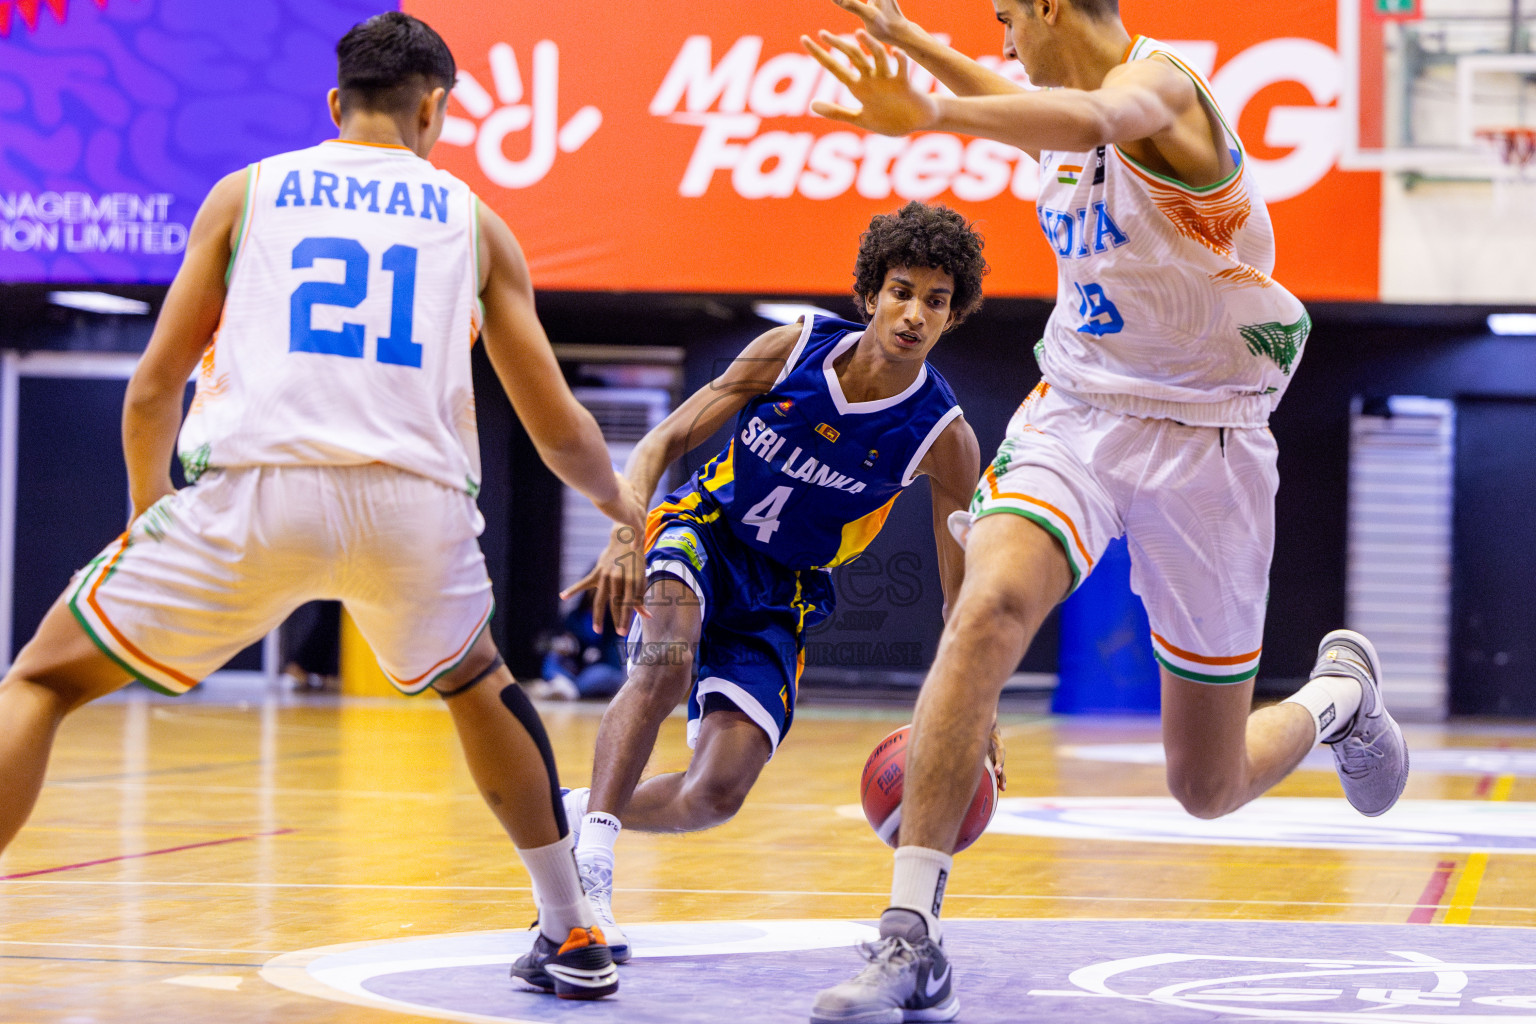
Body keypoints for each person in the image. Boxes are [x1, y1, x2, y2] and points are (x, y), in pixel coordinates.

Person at [0, 12, 641, 1001]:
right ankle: (573, 929)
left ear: (336, 105)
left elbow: (152, 384)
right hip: (414, 508)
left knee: (41, 680)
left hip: (257, 489)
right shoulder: (473, 220)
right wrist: (620, 505)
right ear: (436, 107)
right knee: (477, 681)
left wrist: (146, 514)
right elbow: (555, 425)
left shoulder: (246, 192)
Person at [799, 2, 1409, 1021]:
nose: (999, 39)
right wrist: (910, 47)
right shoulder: (1053, 100)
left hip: (1209, 440)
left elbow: (1094, 119)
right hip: (1078, 409)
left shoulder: (1167, 91)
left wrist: (933, 111)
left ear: (1049, 6)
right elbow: (1042, 104)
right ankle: (910, 935)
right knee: (989, 604)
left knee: (1205, 785)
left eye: (1003, 16)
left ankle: (1337, 698)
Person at [559, 201, 989, 962]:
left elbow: (962, 598)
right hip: (704, 532)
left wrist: (974, 705)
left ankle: (576, 812)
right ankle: (590, 875)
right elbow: (663, 440)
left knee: (713, 795)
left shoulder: (942, 435)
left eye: (936, 300)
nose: (914, 312)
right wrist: (627, 533)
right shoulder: (792, 351)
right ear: (869, 294)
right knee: (664, 663)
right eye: (901, 289)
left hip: (783, 592)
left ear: (952, 317)